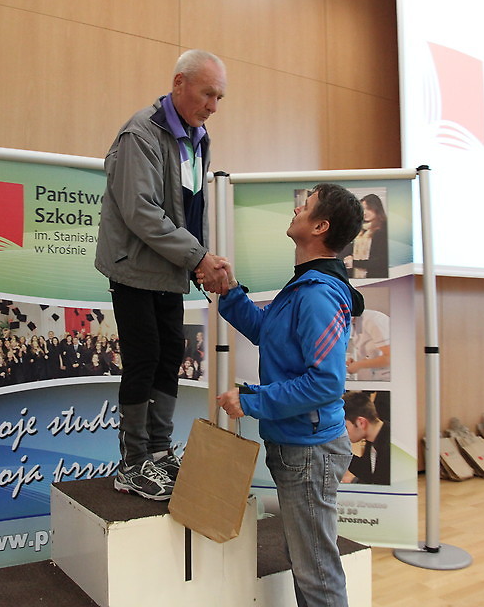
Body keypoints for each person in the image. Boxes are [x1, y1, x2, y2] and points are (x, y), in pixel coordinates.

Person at [210, 183, 365, 607]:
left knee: (316, 572)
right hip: (297, 446)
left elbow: (325, 383)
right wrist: (230, 290)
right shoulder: (305, 286)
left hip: (309, 452)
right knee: (307, 562)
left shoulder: (318, 294)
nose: (297, 208)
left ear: (320, 226)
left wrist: (251, 401)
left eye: (306, 205)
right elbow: (267, 331)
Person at [95, 49, 229, 501]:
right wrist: (197, 258)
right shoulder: (140, 134)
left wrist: (202, 259)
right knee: (144, 357)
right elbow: (142, 213)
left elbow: (192, 207)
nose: (213, 106)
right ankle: (132, 464)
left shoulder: (198, 137)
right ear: (179, 83)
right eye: (207, 94)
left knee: (171, 352)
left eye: (219, 97)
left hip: (170, 268)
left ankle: (157, 451)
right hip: (135, 267)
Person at [342, 391, 390, 485]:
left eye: (345, 427)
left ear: (361, 422)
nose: (343, 433)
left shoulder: (389, 447)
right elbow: (368, 472)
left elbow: (379, 484)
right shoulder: (374, 439)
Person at [340, 193, 388, 279]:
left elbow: (381, 261)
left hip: (376, 279)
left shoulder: (383, 230)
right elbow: (346, 250)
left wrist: (355, 263)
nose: (365, 213)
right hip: (355, 279)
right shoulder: (358, 228)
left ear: (377, 209)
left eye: (368, 209)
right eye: (363, 209)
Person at [346, 309, 390, 381]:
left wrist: (359, 365)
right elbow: (372, 355)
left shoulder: (372, 320)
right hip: (375, 379)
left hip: (390, 380)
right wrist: (356, 363)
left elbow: (390, 358)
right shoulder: (355, 324)